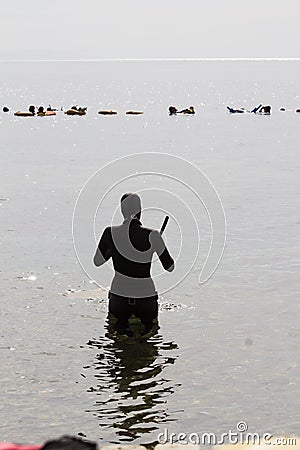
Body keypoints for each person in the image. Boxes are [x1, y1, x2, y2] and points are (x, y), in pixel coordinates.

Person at [94, 193, 174, 336]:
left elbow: (97, 262)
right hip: (146, 300)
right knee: (149, 339)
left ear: (122, 211)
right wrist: (156, 246)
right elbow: (170, 267)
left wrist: (115, 249)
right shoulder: (153, 235)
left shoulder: (110, 232)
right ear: (140, 211)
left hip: (119, 299)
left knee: (117, 340)